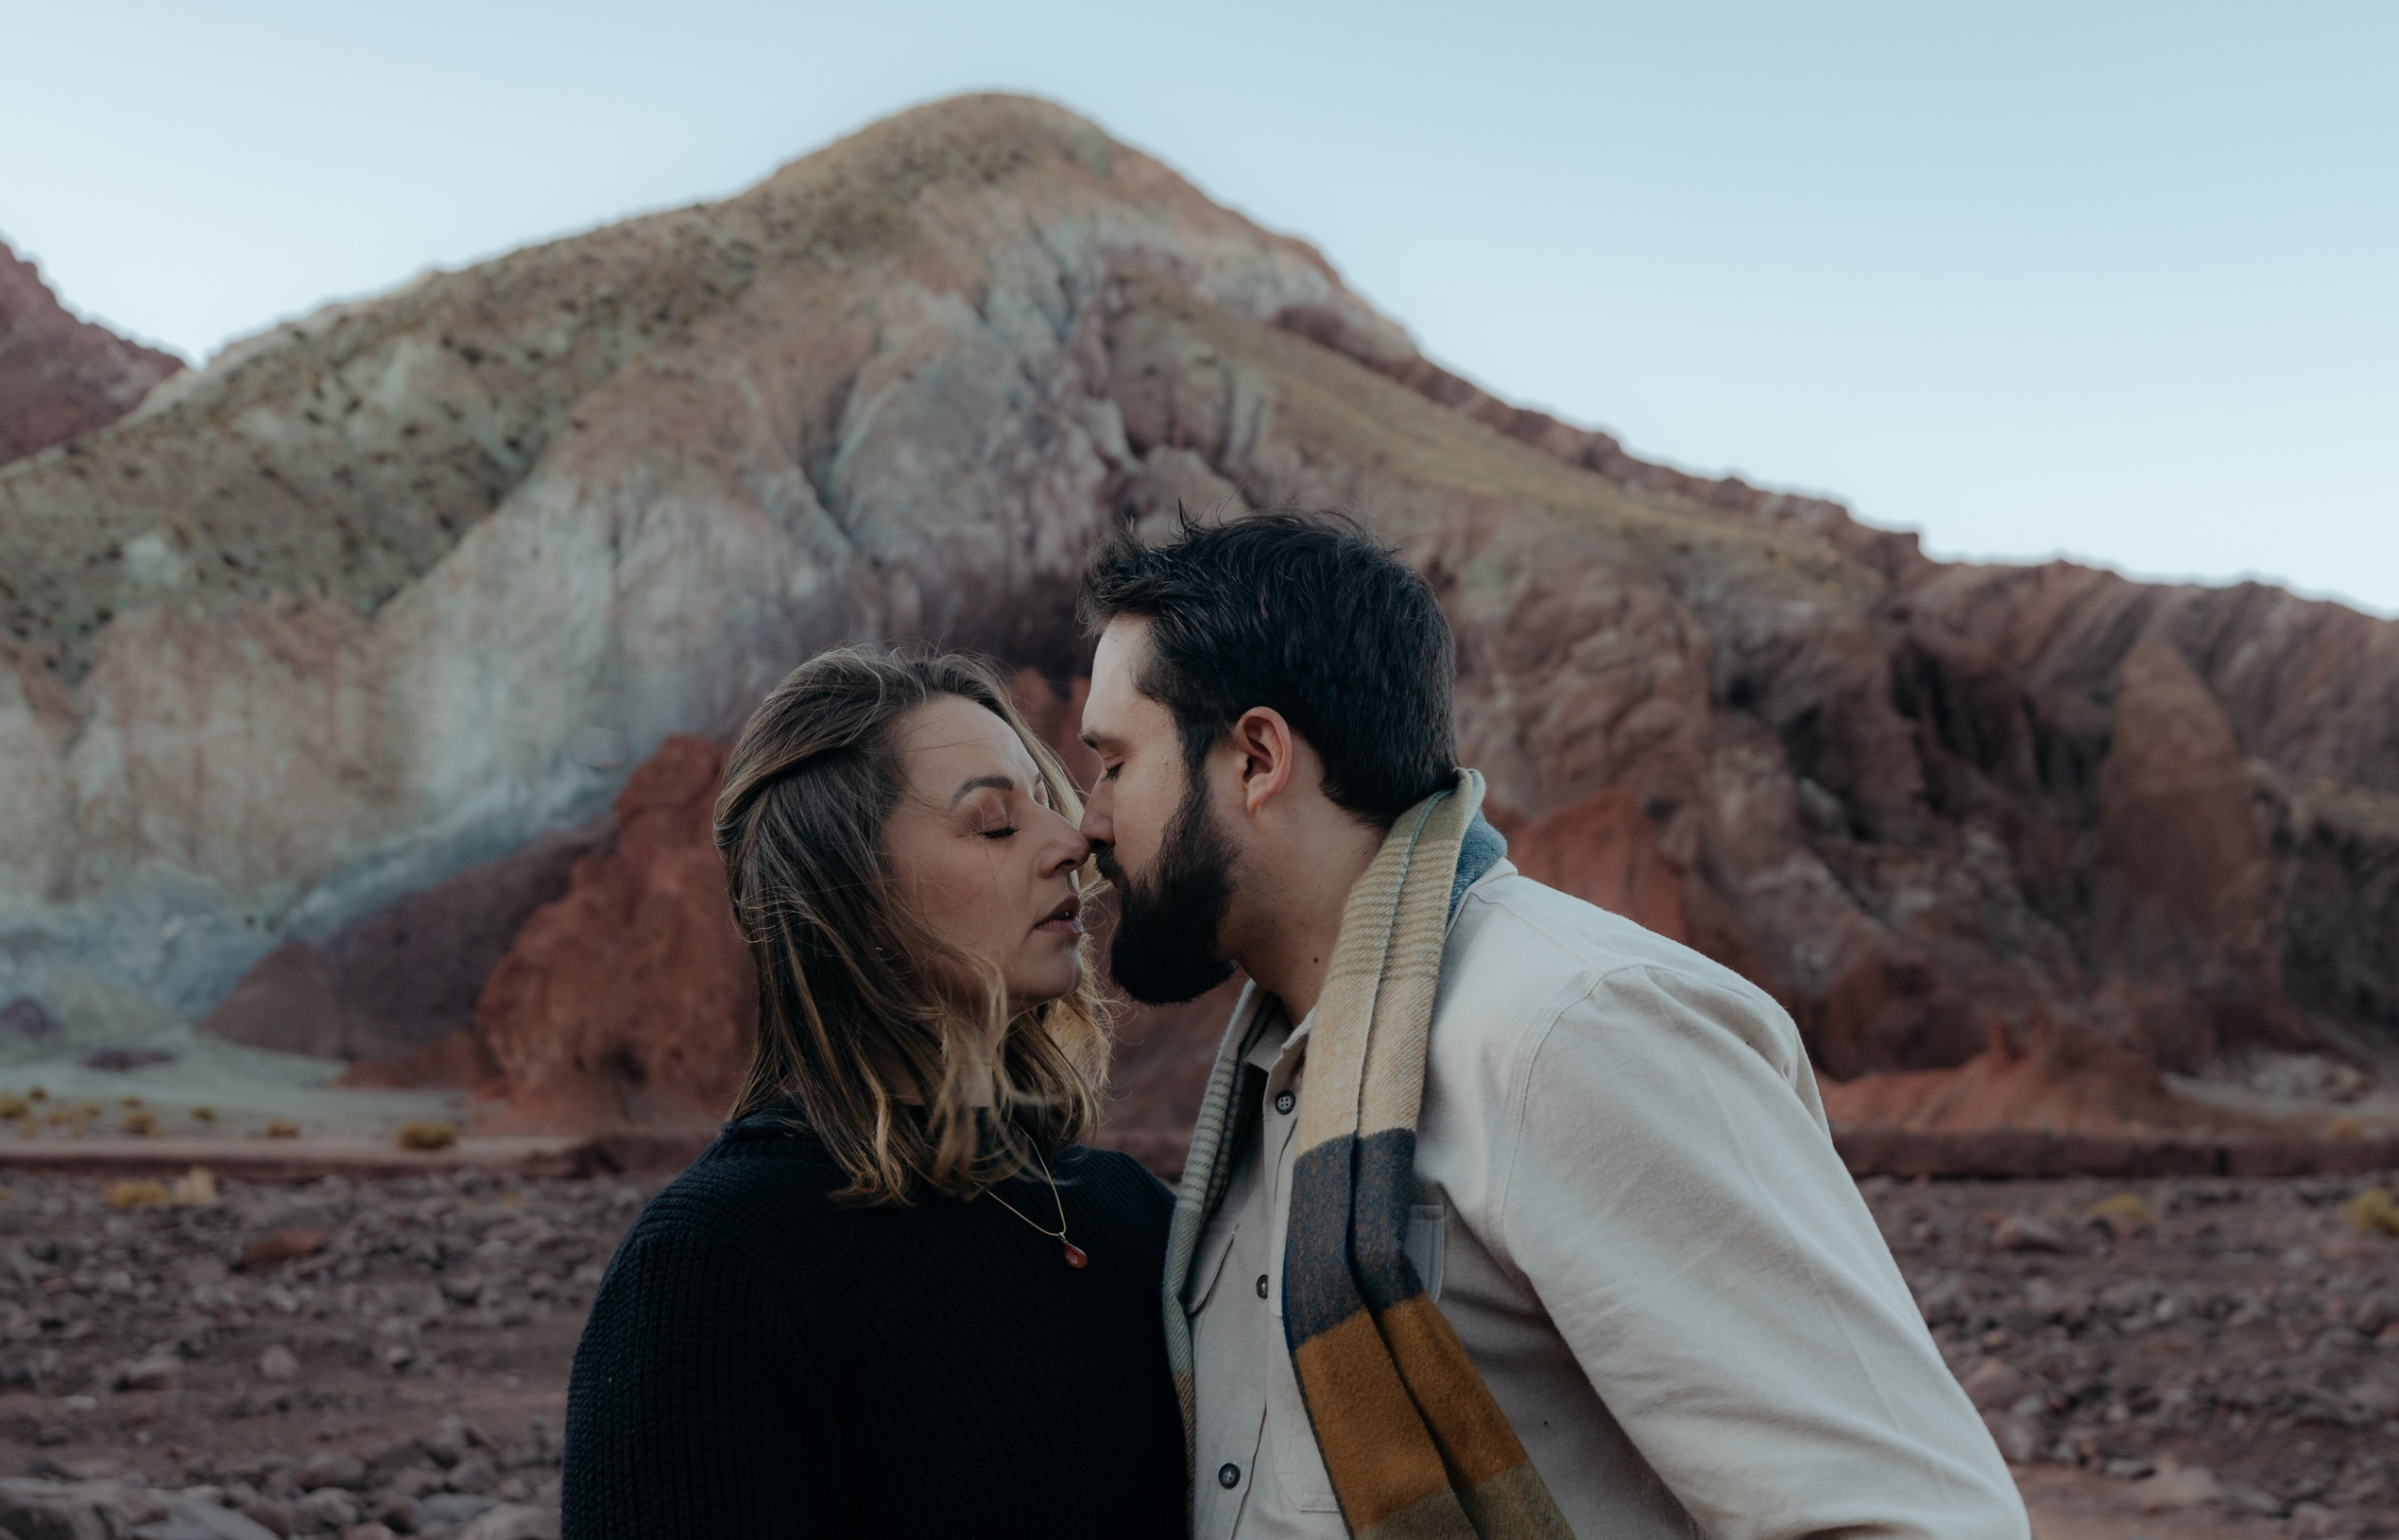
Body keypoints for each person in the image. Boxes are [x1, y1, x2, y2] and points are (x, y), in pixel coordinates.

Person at [1073, 512, 2030, 1540]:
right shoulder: (1279, 1075)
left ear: (1257, 757)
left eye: (1116, 762)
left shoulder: (1570, 1025)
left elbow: (1913, 1517)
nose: (1087, 821)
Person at [563, 647, 1187, 1539]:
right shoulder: (717, 1270)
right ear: (852, 895)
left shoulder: (1130, 1216)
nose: (1073, 842)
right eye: (995, 824)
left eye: (1048, 803)